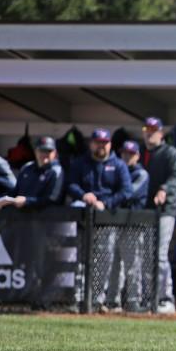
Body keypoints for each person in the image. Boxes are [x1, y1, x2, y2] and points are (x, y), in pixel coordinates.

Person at [66, 128, 133, 311]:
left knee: (103, 259)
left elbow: (127, 191)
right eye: (98, 142)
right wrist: (83, 195)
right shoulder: (81, 162)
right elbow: (70, 184)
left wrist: (106, 203)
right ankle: (77, 298)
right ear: (91, 143)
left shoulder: (118, 165)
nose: (101, 146)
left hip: (106, 218)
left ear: (110, 144)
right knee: (78, 257)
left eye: (104, 143)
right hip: (82, 218)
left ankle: (96, 300)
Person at [142, 117, 176, 314]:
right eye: (146, 129)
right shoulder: (142, 154)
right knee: (145, 256)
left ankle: (166, 298)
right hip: (145, 212)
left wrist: (164, 189)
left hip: (165, 210)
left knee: (159, 255)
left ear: (161, 133)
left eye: (153, 130)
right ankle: (148, 298)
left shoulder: (169, 153)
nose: (150, 133)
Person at [105, 141, 150, 312]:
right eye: (124, 153)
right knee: (113, 264)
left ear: (137, 156)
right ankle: (112, 301)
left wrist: (111, 197)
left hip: (132, 223)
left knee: (132, 265)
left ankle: (133, 301)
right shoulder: (116, 171)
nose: (127, 157)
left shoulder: (141, 173)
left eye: (131, 154)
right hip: (115, 222)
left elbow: (128, 193)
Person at [0, 136, 63, 210]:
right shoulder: (27, 168)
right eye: (42, 150)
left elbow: (53, 199)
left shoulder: (56, 170)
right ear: (35, 151)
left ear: (54, 153)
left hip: (50, 220)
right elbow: (14, 192)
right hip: (24, 219)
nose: (44, 154)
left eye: (48, 151)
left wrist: (27, 201)